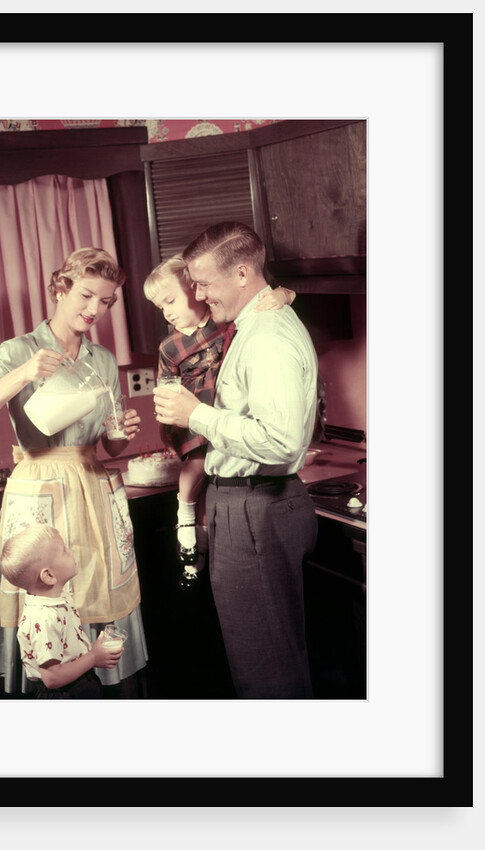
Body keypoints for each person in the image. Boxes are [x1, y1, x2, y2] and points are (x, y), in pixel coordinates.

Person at [0, 247, 148, 696]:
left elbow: (110, 441)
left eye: (105, 301)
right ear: (60, 288)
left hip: (91, 487)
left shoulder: (101, 359)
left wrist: (124, 433)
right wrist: (24, 372)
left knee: (96, 592)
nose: (94, 309)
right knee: (44, 605)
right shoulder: (19, 351)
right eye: (85, 295)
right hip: (38, 492)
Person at [152, 222, 318, 699]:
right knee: (265, 656)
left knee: (266, 667)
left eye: (204, 283)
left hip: (256, 509)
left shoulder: (266, 338)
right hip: (247, 507)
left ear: (242, 273)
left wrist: (196, 414)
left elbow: (282, 442)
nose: (199, 296)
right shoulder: (250, 324)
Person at [143, 254, 295, 590]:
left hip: (224, 414)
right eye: (160, 307)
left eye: (170, 300)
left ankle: (200, 548)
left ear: (194, 289)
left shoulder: (224, 320)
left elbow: (263, 299)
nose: (166, 311)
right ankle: (185, 523)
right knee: (196, 469)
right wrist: (170, 422)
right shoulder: (169, 347)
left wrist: (285, 295)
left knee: (213, 481)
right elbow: (165, 386)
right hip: (193, 418)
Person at [0, 525, 124, 699]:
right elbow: (52, 678)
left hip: (79, 684)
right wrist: (93, 657)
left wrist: (92, 650)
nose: (71, 551)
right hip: (65, 694)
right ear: (48, 576)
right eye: (64, 551)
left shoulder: (58, 599)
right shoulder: (43, 618)